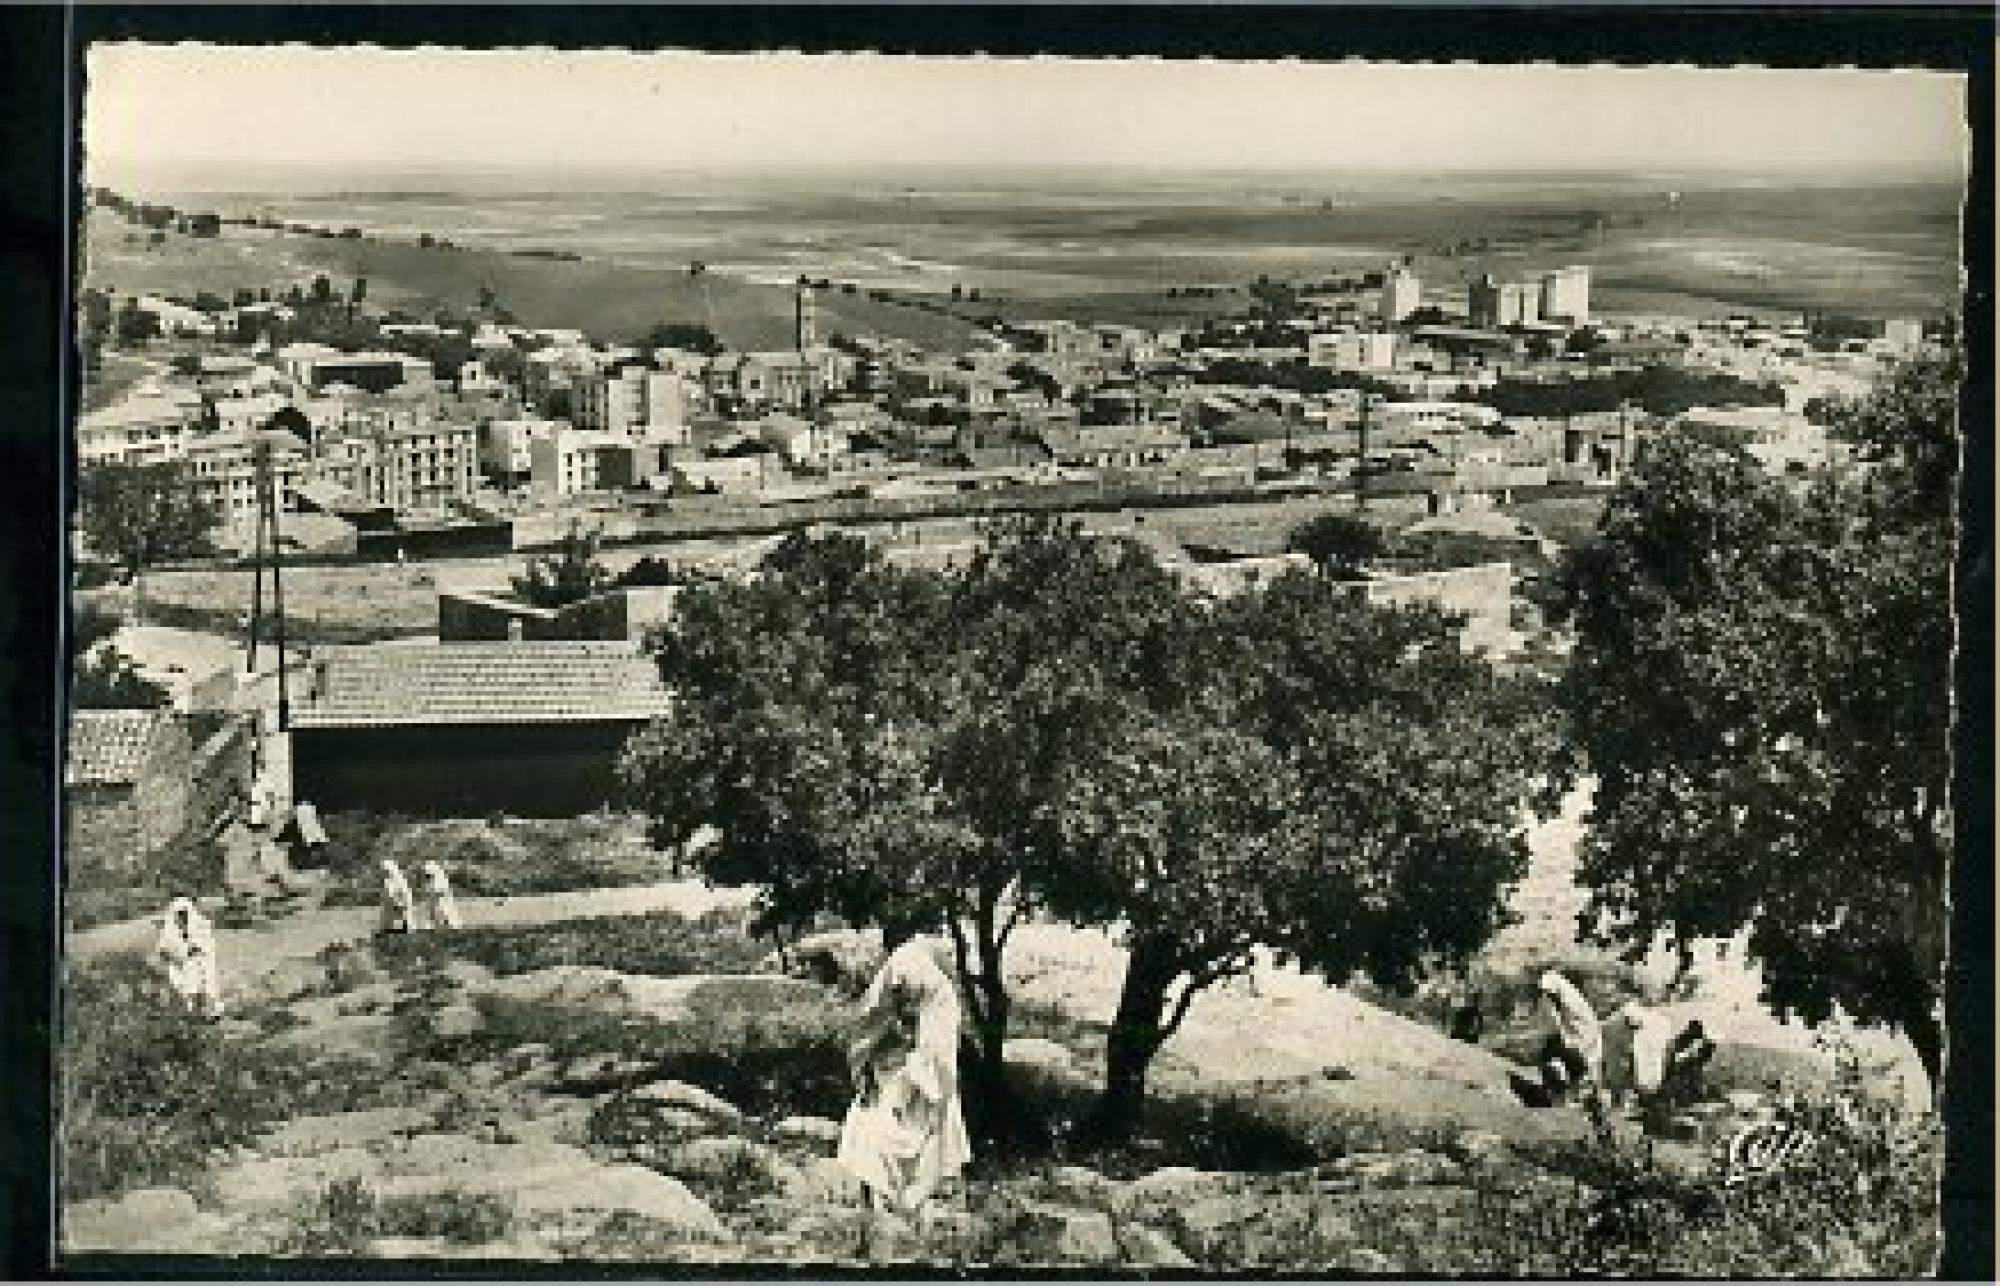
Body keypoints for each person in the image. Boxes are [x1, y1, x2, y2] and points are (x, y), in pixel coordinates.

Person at [836, 937, 973, 1221]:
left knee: (928, 1105)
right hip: (902, 1073)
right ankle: (896, 1195)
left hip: (916, 1069)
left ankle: (913, 1194)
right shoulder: (900, 984)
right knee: (892, 1118)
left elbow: (931, 1059)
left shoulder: (916, 981)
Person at [1536, 970, 1604, 1109]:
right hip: (1587, 1047)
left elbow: (1558, 1026)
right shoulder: (1573, 1001)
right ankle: (1572, 1096)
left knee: (1550, 1056)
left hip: (1583, 1046)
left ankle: (1561, 1098)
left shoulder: (1568, 1003)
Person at [154, 897, 224, 1018]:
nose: (182, 917)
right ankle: (189, 1009)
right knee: (184, 984)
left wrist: (197, 949)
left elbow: (207, 945)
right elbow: (164, 949)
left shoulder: (200, 926)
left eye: (185, 914)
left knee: (203, 979)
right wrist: (181, 953)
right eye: (179, 914)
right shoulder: (169, 931)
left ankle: (208, 1008)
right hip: (179, 965)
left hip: (199, 962)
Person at [418, 860, 462, 930]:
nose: (427, 875)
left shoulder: (439, 877)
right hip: (441, 898)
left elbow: (440, 891)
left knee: (447, 910)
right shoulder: (436, 877)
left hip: (443, 897)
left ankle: (454, 924)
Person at [379, 858, 419, 933]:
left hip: (401, 902)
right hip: (394, 903)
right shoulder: (388, 881)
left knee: (403, 917)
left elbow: (403, 892)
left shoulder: (398, 879)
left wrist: (399, 901)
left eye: (385, 870)